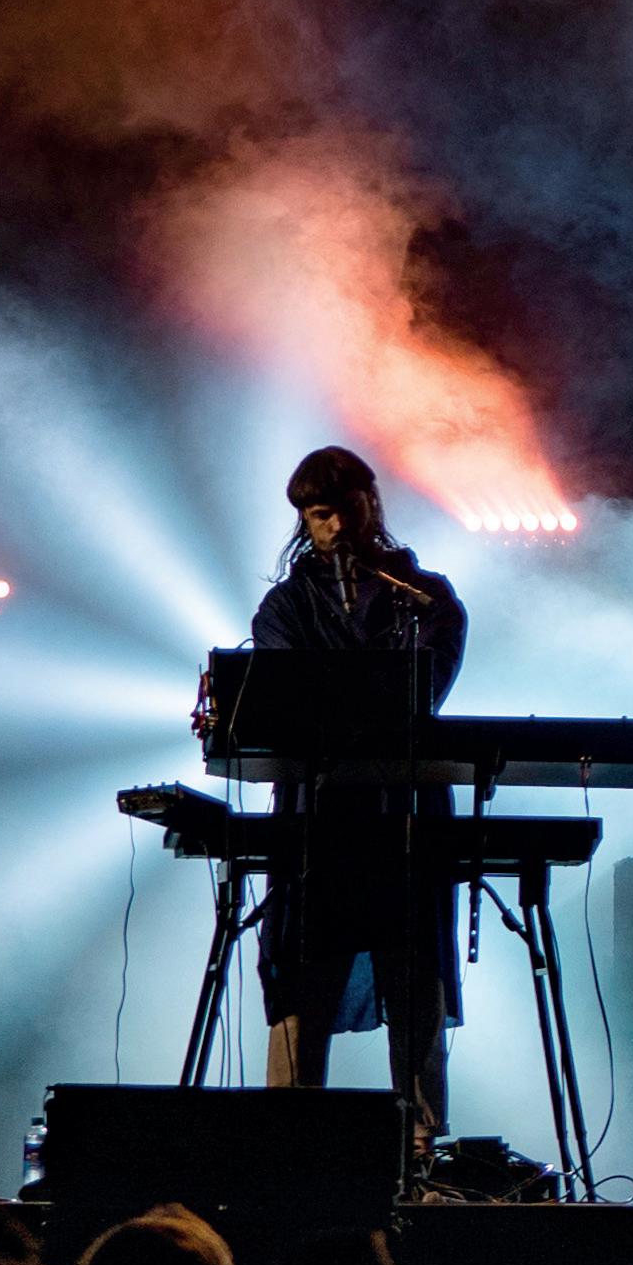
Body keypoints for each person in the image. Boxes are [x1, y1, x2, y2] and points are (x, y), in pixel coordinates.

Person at [239, 443, 474, 1131]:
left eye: (346, 509)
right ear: (305, 521)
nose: (337, 526)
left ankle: (423, 1157)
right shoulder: (284, 606)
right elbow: (292, 705)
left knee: (416, 991)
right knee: (299, 992)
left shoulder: (428, 599)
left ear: (371, 503)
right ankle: (288, 1151)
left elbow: (420, 693)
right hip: (315, 826)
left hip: (406, 822)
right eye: (320, 515)